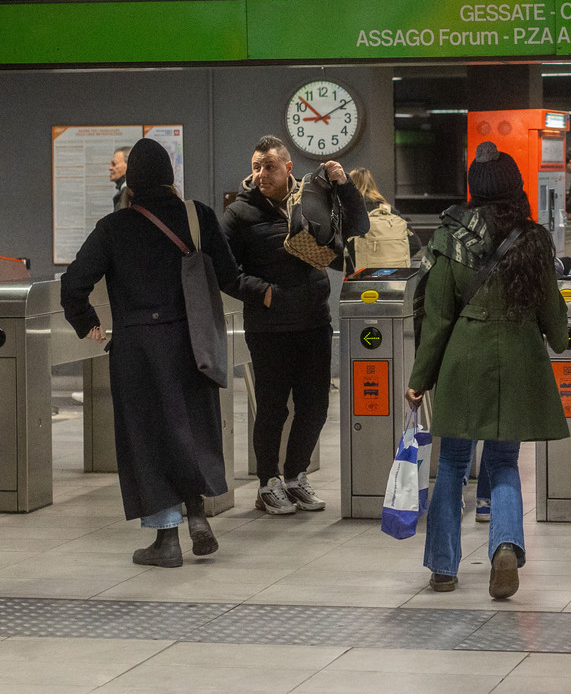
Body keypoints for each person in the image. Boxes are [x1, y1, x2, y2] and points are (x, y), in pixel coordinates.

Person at [61, 139, 239, 568]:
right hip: (192, 342)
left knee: (147, 437)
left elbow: (73, 285)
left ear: (132, 181)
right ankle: (197, 514)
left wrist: (88, 323)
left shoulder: (114, 227)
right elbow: (230, 276)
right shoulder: (198, 216)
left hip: (139, 348)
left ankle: (166, 539)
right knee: (190, 428)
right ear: (170, 175)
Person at [406, 141, 570, 598]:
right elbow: (554, 320)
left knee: (454, 464)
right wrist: (558, 337)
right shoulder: (535, 237)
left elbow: (436, 317)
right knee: (503, 463)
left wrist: (420, 380)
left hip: (464, 359)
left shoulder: (449, 234)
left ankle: (443, 566)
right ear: (516, 186)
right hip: (518, 360)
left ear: (473, 189)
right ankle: (504, 546)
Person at [221, 135, 368, 516]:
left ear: (288, 168)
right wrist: (263, 292)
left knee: (315, 406)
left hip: (313, 321)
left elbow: (355, 227)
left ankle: (294, 476)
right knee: (272, 408)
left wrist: (344, 185)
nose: (260, 174)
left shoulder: (310, 200)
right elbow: (223, 271)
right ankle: (267, 481)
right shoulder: (239, 214)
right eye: (256, 166)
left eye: (269, 166)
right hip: (268, 326)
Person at [346, 166, 421, 270]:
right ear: (373, 185)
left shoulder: (351, 211)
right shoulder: (389, 210)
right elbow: (416, 244)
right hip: (393, 275)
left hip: (361, 275)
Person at [109, 145, 130, 210]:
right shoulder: (124, 190)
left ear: (128, 165)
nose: (110, 168)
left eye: (114, 164)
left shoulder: (128, 193)